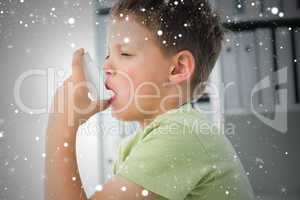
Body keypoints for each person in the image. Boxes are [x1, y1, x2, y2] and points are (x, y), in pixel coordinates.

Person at [45, 0, 255, 199]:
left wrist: (61, 124)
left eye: (125, 54)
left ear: (178, 68)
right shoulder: (142, 142)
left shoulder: (181, 135)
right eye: (108, 55)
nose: (106, 67)